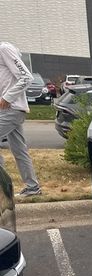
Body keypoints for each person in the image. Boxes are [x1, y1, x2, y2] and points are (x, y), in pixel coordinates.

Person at [0, 41, 41, 196]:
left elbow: (26, 77)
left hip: (12, 109)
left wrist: (8, 97)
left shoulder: (4, 49)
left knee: (19, 150)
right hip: (7, 110)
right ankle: (32, 187)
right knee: (19, 150)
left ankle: (3, 190)